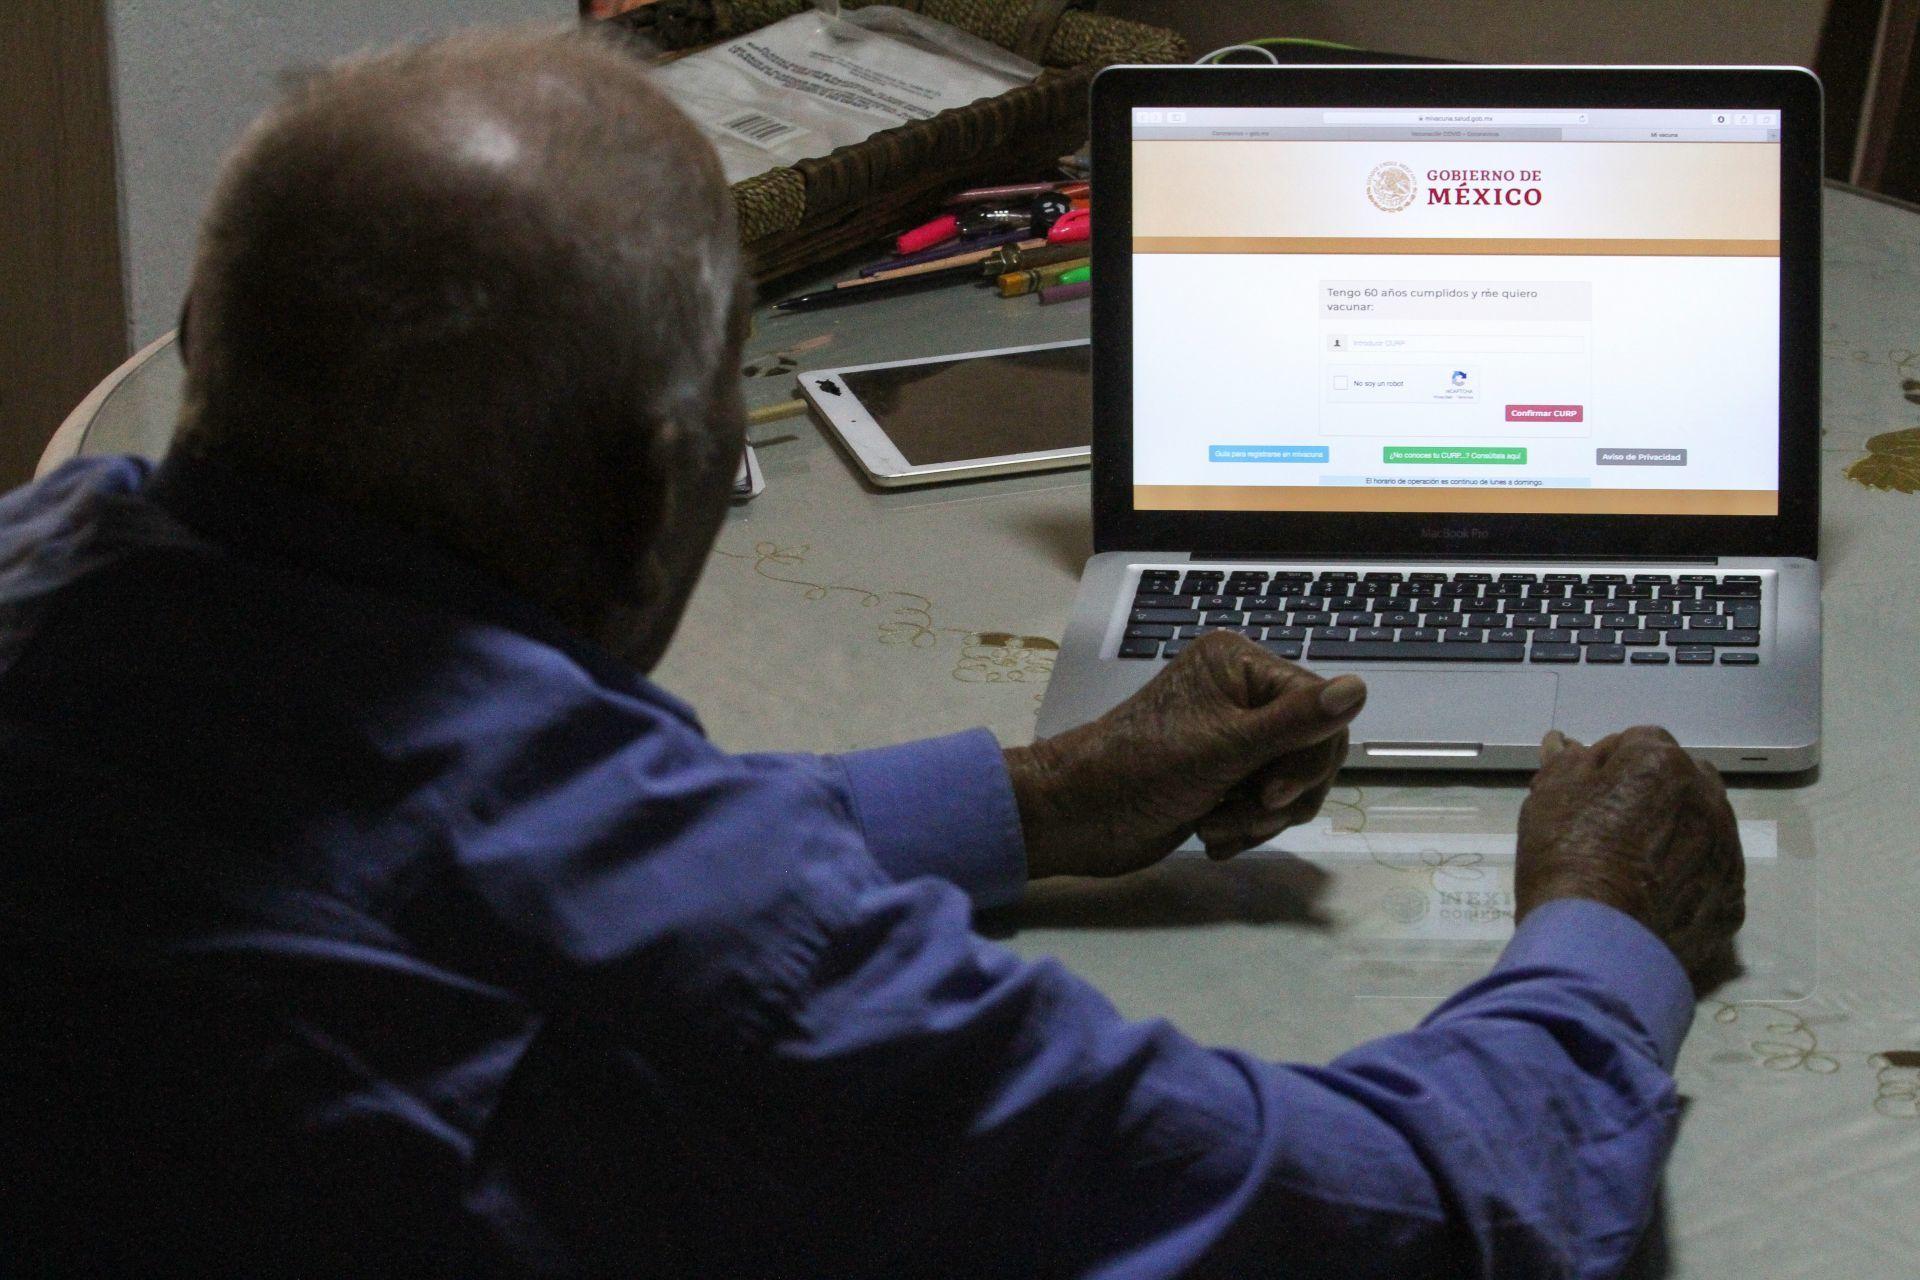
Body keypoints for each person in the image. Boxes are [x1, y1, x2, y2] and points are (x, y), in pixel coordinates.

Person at [0, 27, 1744, 1279]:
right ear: (673, 483)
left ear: (212, 344)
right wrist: (1603, 936)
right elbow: (1418, 1222)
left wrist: (1032, 801)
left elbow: (456, 809)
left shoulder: (46, 557)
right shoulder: (725, 976)